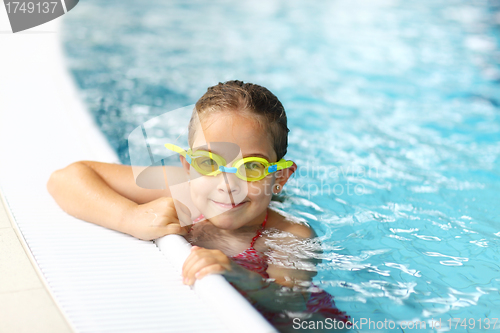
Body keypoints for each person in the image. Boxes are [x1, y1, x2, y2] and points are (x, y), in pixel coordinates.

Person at [47, 80, 349, 331]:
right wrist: (130, 216)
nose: (227, 183)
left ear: (280, 176)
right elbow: (66, 178)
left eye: (251, 167)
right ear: (188, 165)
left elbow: (290, 302)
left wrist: (237, 273)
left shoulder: (289, 235)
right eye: (208, 162)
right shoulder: (185, 187)